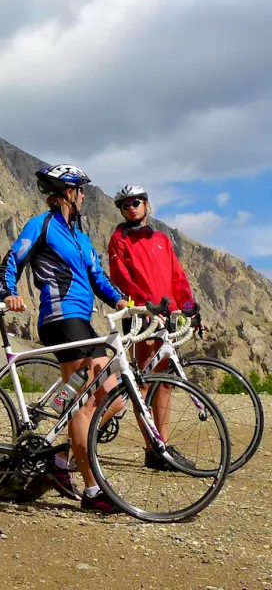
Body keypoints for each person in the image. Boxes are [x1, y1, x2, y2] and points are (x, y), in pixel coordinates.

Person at [0, 164, 128, 513]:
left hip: (82, 320)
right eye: (81, 190)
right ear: (67, 192)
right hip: (59, 317)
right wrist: (9, 291)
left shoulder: (81, 237)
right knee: (84, 403)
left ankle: (59, 457)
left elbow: (98, 277)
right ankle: (92, 490)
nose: (85, 196)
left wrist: (121, 301)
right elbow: (14, 257)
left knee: (112, 398)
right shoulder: (42, 225)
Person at [108, 184, 197, 466]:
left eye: (137, 202)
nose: (132, 207)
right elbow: (120, 276)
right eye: (125, 204)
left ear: (147, 205)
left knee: (165, 383)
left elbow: (176, 275)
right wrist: (145, 305)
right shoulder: (119, 238)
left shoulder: (161, 238)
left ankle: (164, 447)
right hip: (142, 316)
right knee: (144, 384)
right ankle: (152, 449)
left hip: (166, 315)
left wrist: (189, 305)